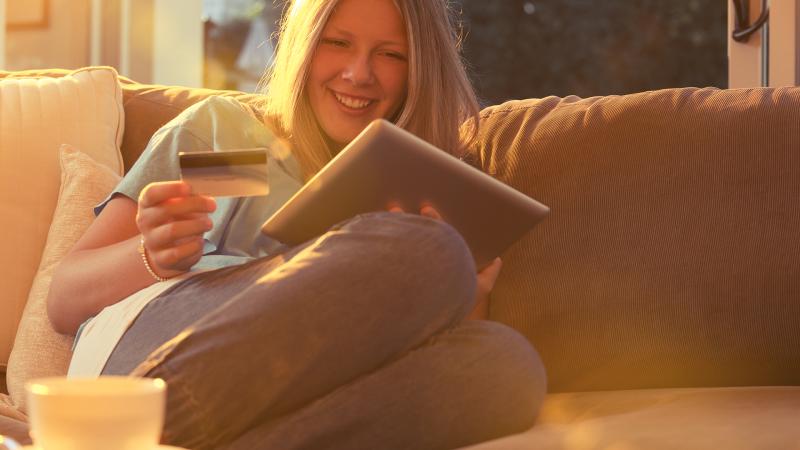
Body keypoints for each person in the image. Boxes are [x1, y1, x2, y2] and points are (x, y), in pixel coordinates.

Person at [47, 0, 547, 449]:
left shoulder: (427, 186)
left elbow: (425, 366)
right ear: (305, 47)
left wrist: (465, 289)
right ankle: (130, 428)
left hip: (298, 390)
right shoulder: (233, 138)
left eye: (391, 55)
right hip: (157, 351)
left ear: (420, 69)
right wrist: (150, 256)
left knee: (507, 366)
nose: (358, 73)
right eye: (338, 43)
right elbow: (63, 299)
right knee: (427, 248)